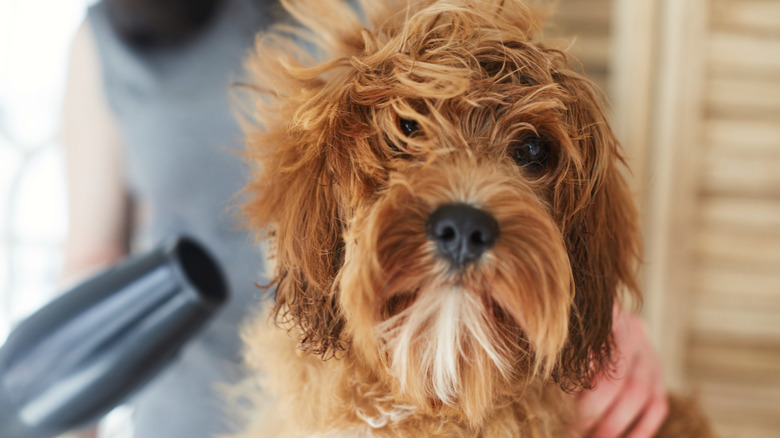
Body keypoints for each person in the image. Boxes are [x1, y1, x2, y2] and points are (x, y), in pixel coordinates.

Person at [61, 0, 667, 436]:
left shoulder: (449, 19)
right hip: (188, 418)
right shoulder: (113, 37)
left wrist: (606, 323)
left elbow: (552, 187)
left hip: (454, 398)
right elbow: (93, 264)